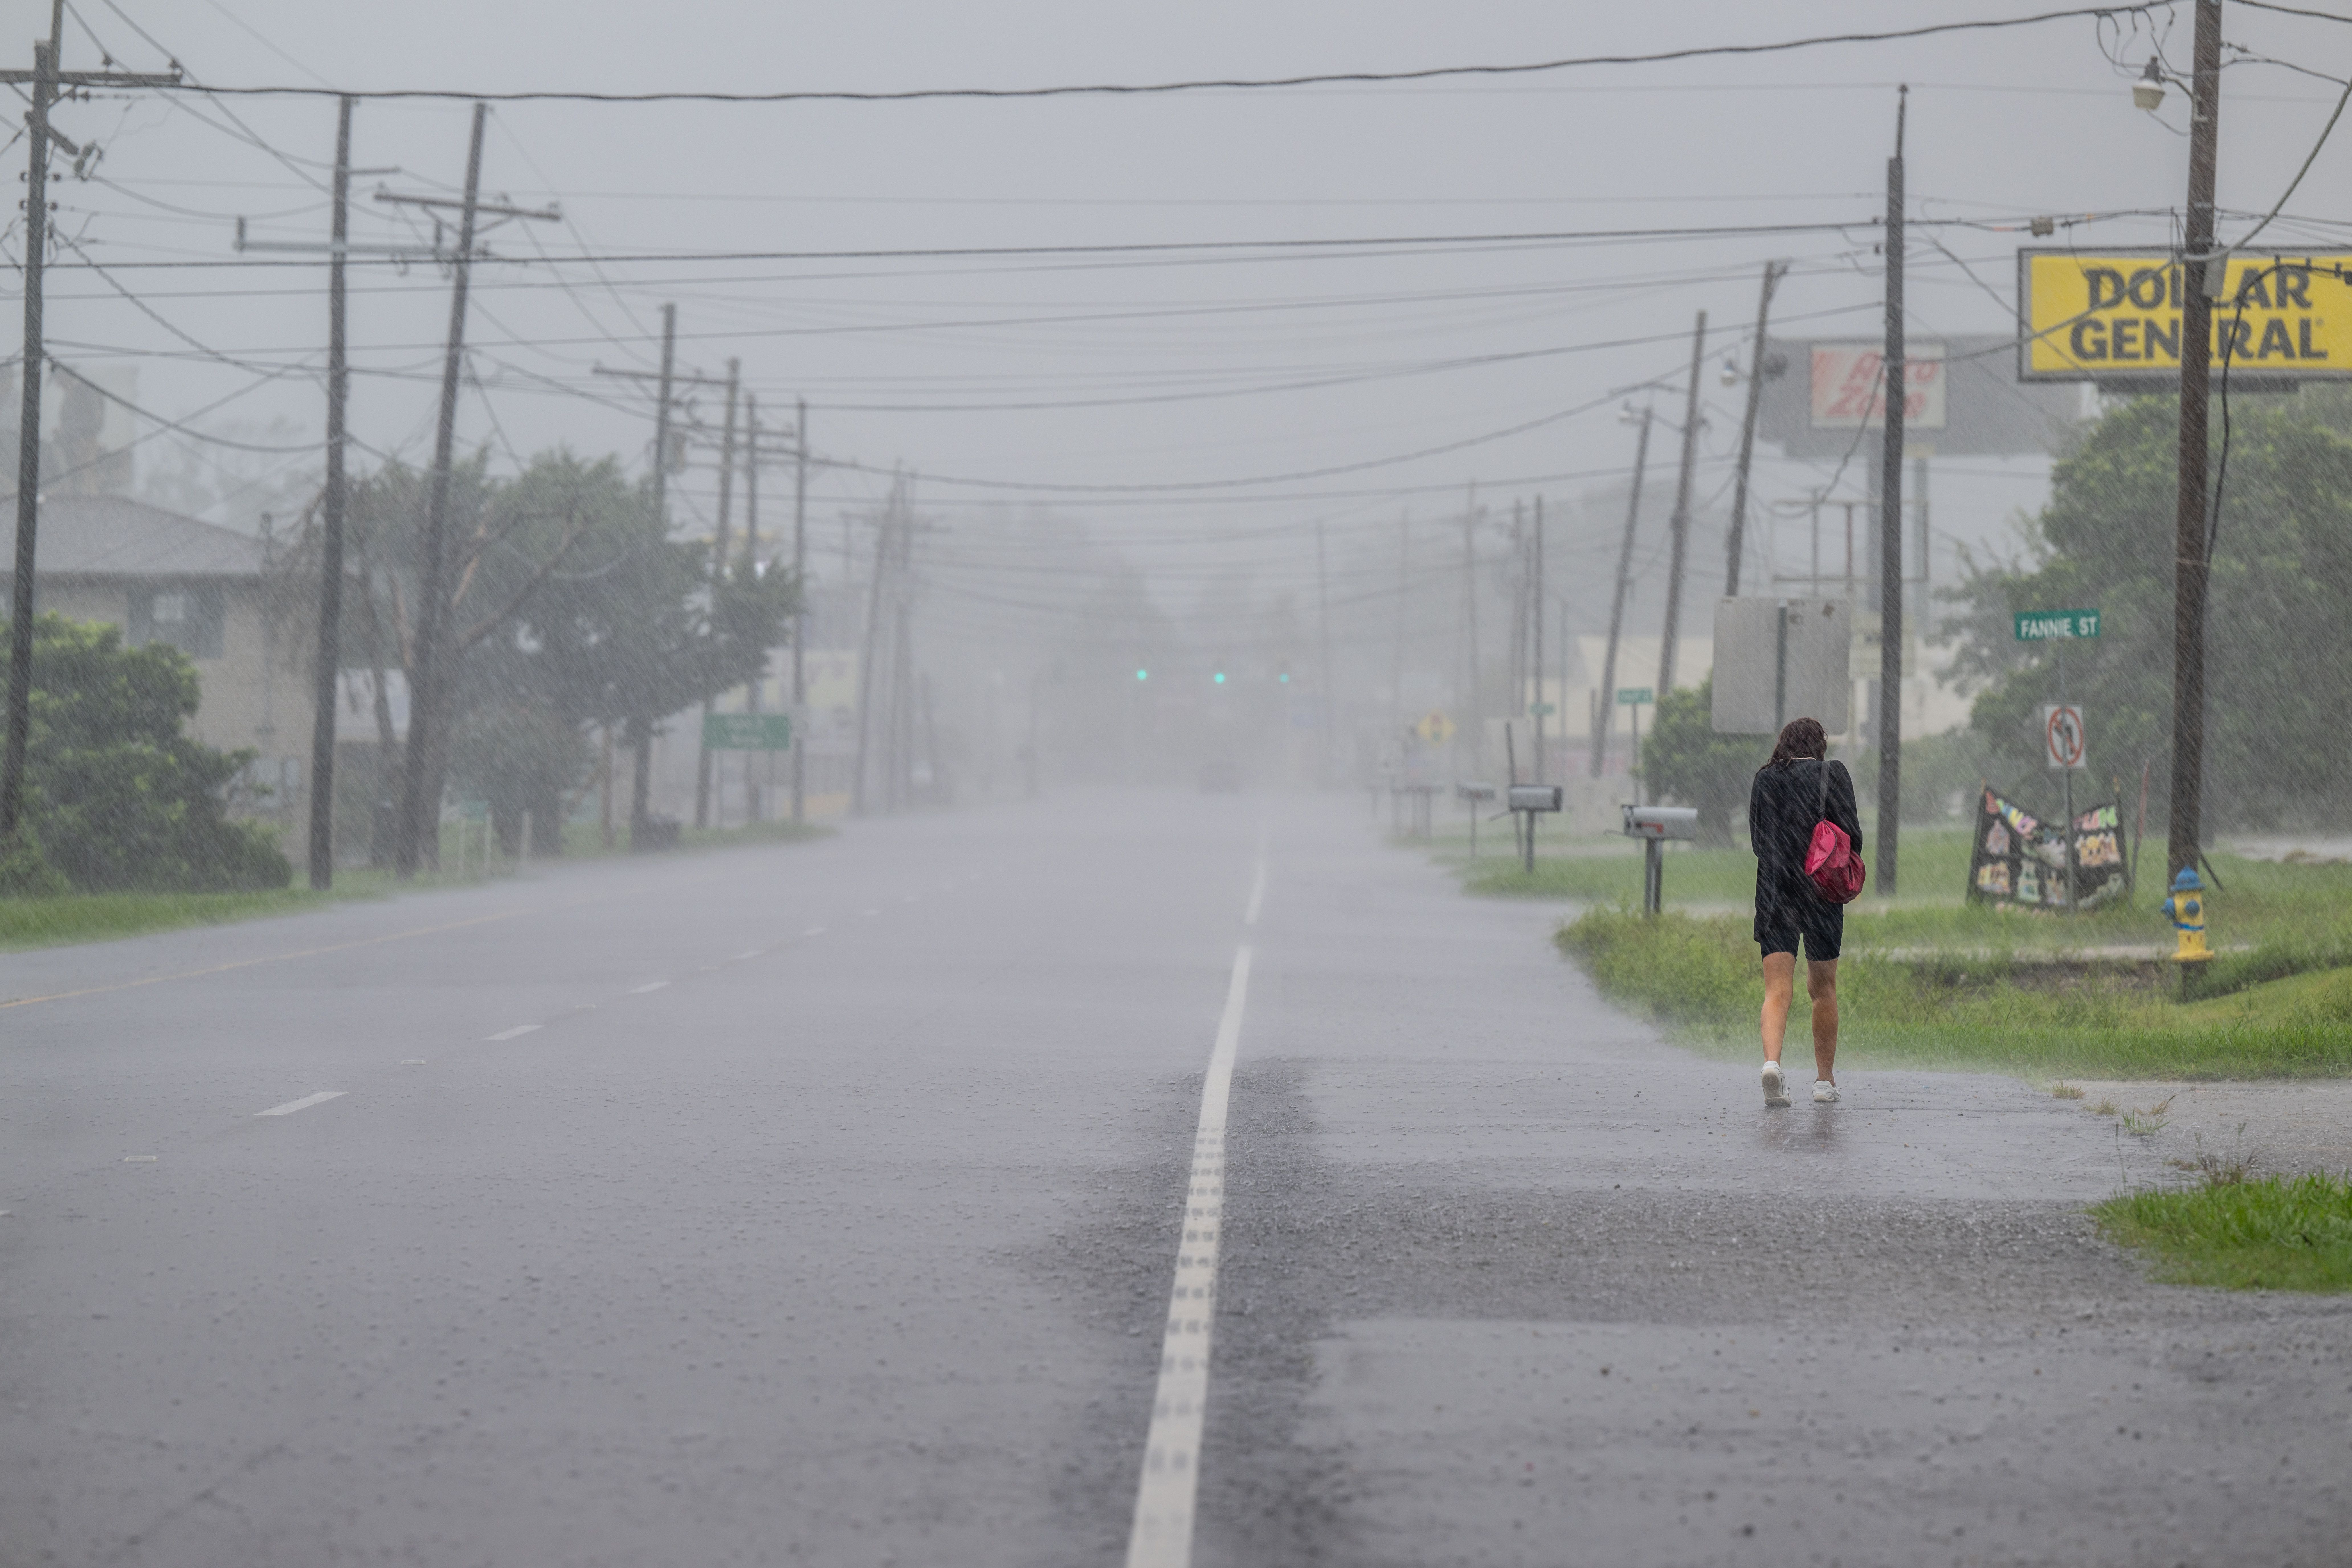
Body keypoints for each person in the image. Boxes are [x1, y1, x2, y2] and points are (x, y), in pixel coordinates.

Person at [1747, 717, 1860, 1108]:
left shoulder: (1765, 780)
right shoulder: (1833, 774)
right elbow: (1853, 837)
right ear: (1820, 746)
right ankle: (1824, 1082)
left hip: (1776, 890)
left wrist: (1785, 859)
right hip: (1822, 892)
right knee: (1822, 989)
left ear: (1784, 744)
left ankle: (1772, 1065)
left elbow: (1758, 842)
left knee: (1777, 990)